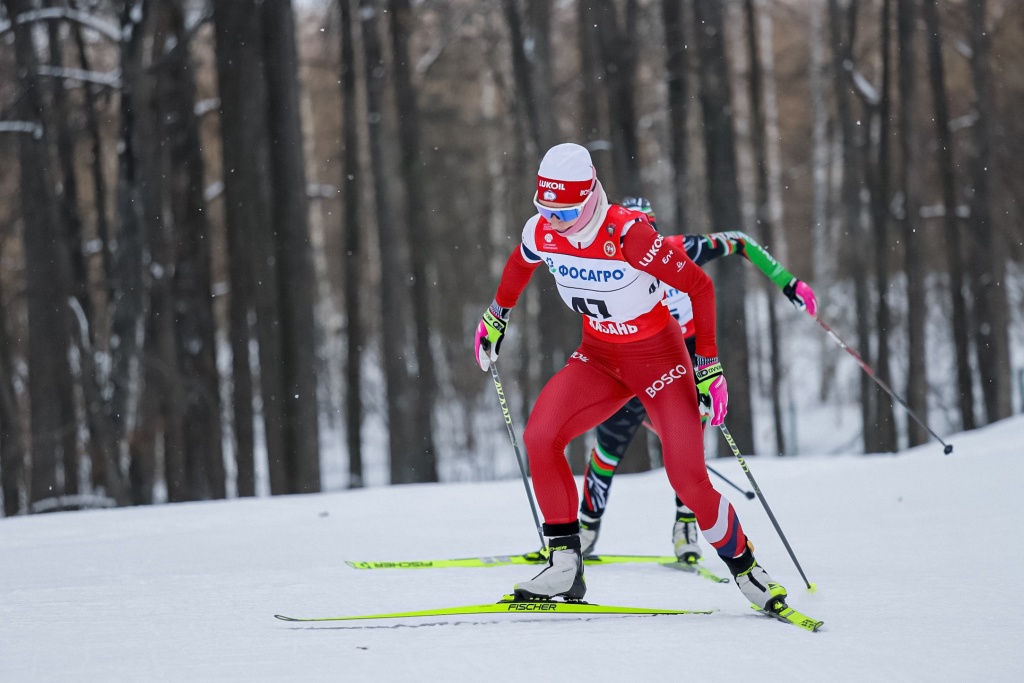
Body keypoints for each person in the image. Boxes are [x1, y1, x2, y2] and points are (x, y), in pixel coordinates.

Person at [473, 142, 789, 614]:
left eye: (564, 211)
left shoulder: (629, 235)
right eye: (545, 209)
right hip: (598, 357)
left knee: (688, 479)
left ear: (589, 199)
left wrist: (709, 365)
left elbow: (699, 287)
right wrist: (496, 316)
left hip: (659, 360)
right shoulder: (542, 231)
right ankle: (564, 564)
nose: (553, 221)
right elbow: (520, 263)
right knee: (540, 436)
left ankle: (747, 570)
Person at [578, 197, 819, 563]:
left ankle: (685, 525)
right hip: (630, 366)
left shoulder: (682, 250)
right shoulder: (608, 263)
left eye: (647, 235)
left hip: (679, 363)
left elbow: (739, 240)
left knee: (686, 447)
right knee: (608, 447)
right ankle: (586, 529)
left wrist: (788, 282)